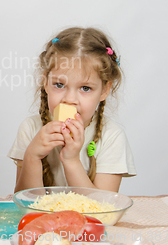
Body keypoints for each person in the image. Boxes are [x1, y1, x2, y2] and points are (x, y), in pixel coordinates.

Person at [8, 27, 136, 192]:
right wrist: (32, 156)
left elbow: (103, 209)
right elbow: (24, 203)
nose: (69, 99)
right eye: (59, 85)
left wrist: (71, 160)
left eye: (85, 88)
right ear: (46, 82)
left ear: (104, 90)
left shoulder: (111, 136)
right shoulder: (31, 129)